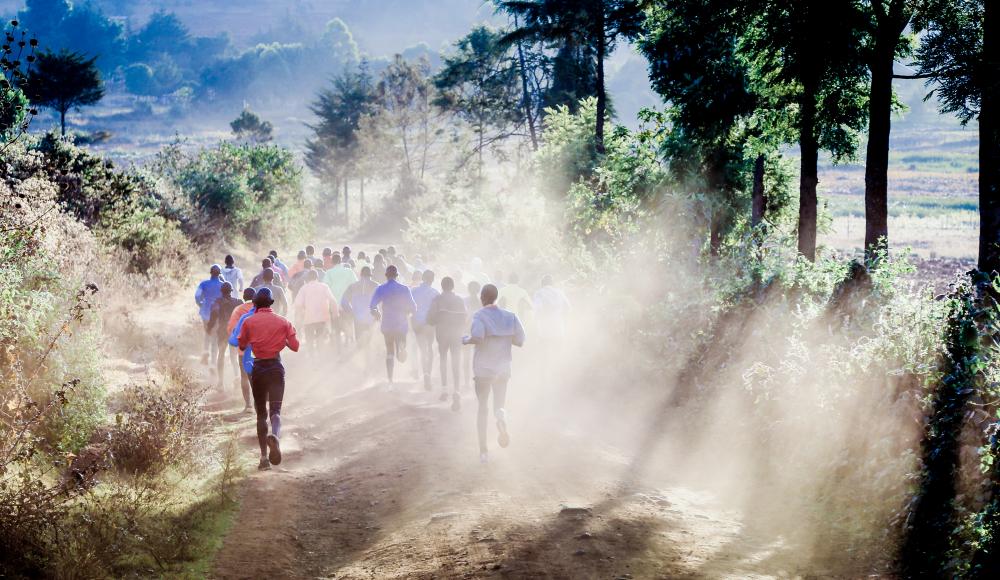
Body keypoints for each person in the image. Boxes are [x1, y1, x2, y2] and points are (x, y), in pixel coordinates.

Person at [238, 287, 300, 471]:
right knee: (275, 411)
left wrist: (254, 340)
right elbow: (296, 346)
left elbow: (241, 344)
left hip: (258, 369)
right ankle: (276, 436)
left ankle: (264, 458)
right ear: (272, 303)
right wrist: (284, 341)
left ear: (255, 303)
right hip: (275, 367)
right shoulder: (283, 322)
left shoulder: (249, 322)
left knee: (261, 414)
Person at [464, 284, 525, 464]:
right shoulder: (510, 316)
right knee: (499, 405)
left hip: (483, 369)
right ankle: (501, 419)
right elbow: (520, 340)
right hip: (503, 368)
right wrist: (505, 337)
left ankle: (483, 452)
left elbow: (477, 337)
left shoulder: (479, 316)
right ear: (496, 297)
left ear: (482, 298)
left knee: (482, 408)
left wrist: (465, 340)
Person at [369, 265, 416, 388]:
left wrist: (376, 312)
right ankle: (402, 347)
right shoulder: (405, 289)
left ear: (386, 275)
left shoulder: (381, 289)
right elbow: (413, 307)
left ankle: (390, 380)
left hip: (387, 325)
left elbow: (372, 305)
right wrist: (408, 313)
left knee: (389, 351)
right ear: (396, 276)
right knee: (401, 352)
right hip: (401, 324)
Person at [427, 276, 466, 410]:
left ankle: (444, 390)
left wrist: (438, 319)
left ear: (442, 287)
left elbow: (430, 319)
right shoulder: (459, 299)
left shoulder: (437, 299)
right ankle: (457, 390)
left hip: (442, 334)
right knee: (456, 361)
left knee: (443, 360)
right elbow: (465, 317)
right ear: (453, 286)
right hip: (456, 334)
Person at [293, 270, 338, 355]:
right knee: (320, 340)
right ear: (317, 278)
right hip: (322, 319)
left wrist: (300, 318)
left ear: (308, 278)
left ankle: (312, 359)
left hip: (308, 319)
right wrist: (335, 314)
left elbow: (298, 305)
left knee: (309, 341)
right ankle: (320, 359)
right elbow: (333, 301)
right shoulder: (324, 287)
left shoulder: (304, 288)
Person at [209, 282, 242, 391]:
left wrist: (210, 327)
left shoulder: (217, 302)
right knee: (234, 356)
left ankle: (221, 383)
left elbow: (213, 315)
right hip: (234, 332)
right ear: (231, 291)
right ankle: (237, 377)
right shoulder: (238, 302)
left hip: (223, 332)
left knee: (221, 355)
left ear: (221, 291)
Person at [410, 269, 439, 390]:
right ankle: (427, 375)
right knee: (429, 348)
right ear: (432, 280)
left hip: (417, 322)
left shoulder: (414, 291)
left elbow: (409, 306)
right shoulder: (435, 292)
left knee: (422, 349)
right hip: (429, 324)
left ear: (423, 278)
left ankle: (422, 372)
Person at [229, 288, 257, 412]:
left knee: (244, 376)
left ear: (244, 297)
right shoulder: (260, 310)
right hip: (260, 349)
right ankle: (259, 402)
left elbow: (232, 329)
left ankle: (248, 405)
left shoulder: (238, 310)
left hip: (244, 350)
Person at [195, 265, 226, 365]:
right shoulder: (223, 285)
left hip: (205, 312)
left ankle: (205, 352)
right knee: (215, 336)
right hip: (217, 313)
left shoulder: (204, 284)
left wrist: (200, 304)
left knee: (207, 332)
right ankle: (213, 362)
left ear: (211, 273)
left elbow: (197, 296)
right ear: (219, 274)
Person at [462, 280, 482, 389]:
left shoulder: (464, 301)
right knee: (478, 358)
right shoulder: (482, 302)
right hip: (479, 333)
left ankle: (466, 382)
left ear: (468, 289)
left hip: (466, 331)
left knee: (466, 358)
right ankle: (477, 380)